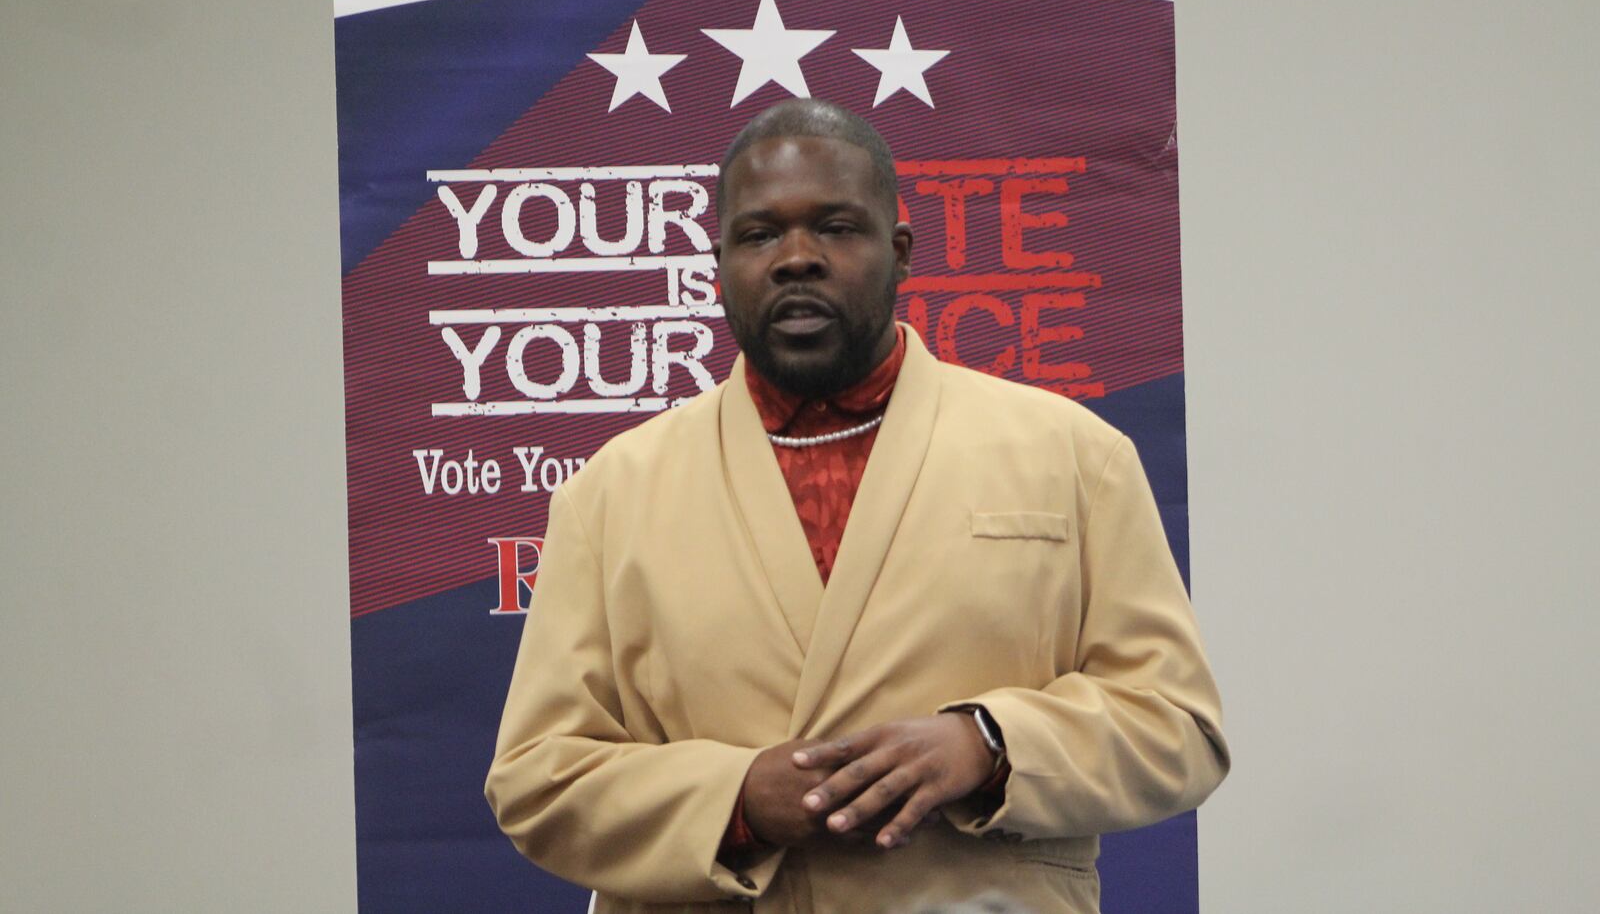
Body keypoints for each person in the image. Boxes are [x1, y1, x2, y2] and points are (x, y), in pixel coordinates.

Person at [485, 99, 1229, 914]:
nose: (796, 258)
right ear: (720, 264)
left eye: (836, 227)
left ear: (900, 251)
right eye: (760, 234)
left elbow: (1179, 728)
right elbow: (537, 778)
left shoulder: (1072, 455)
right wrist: (733, 800)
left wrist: (990, 744)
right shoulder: (612, 491)